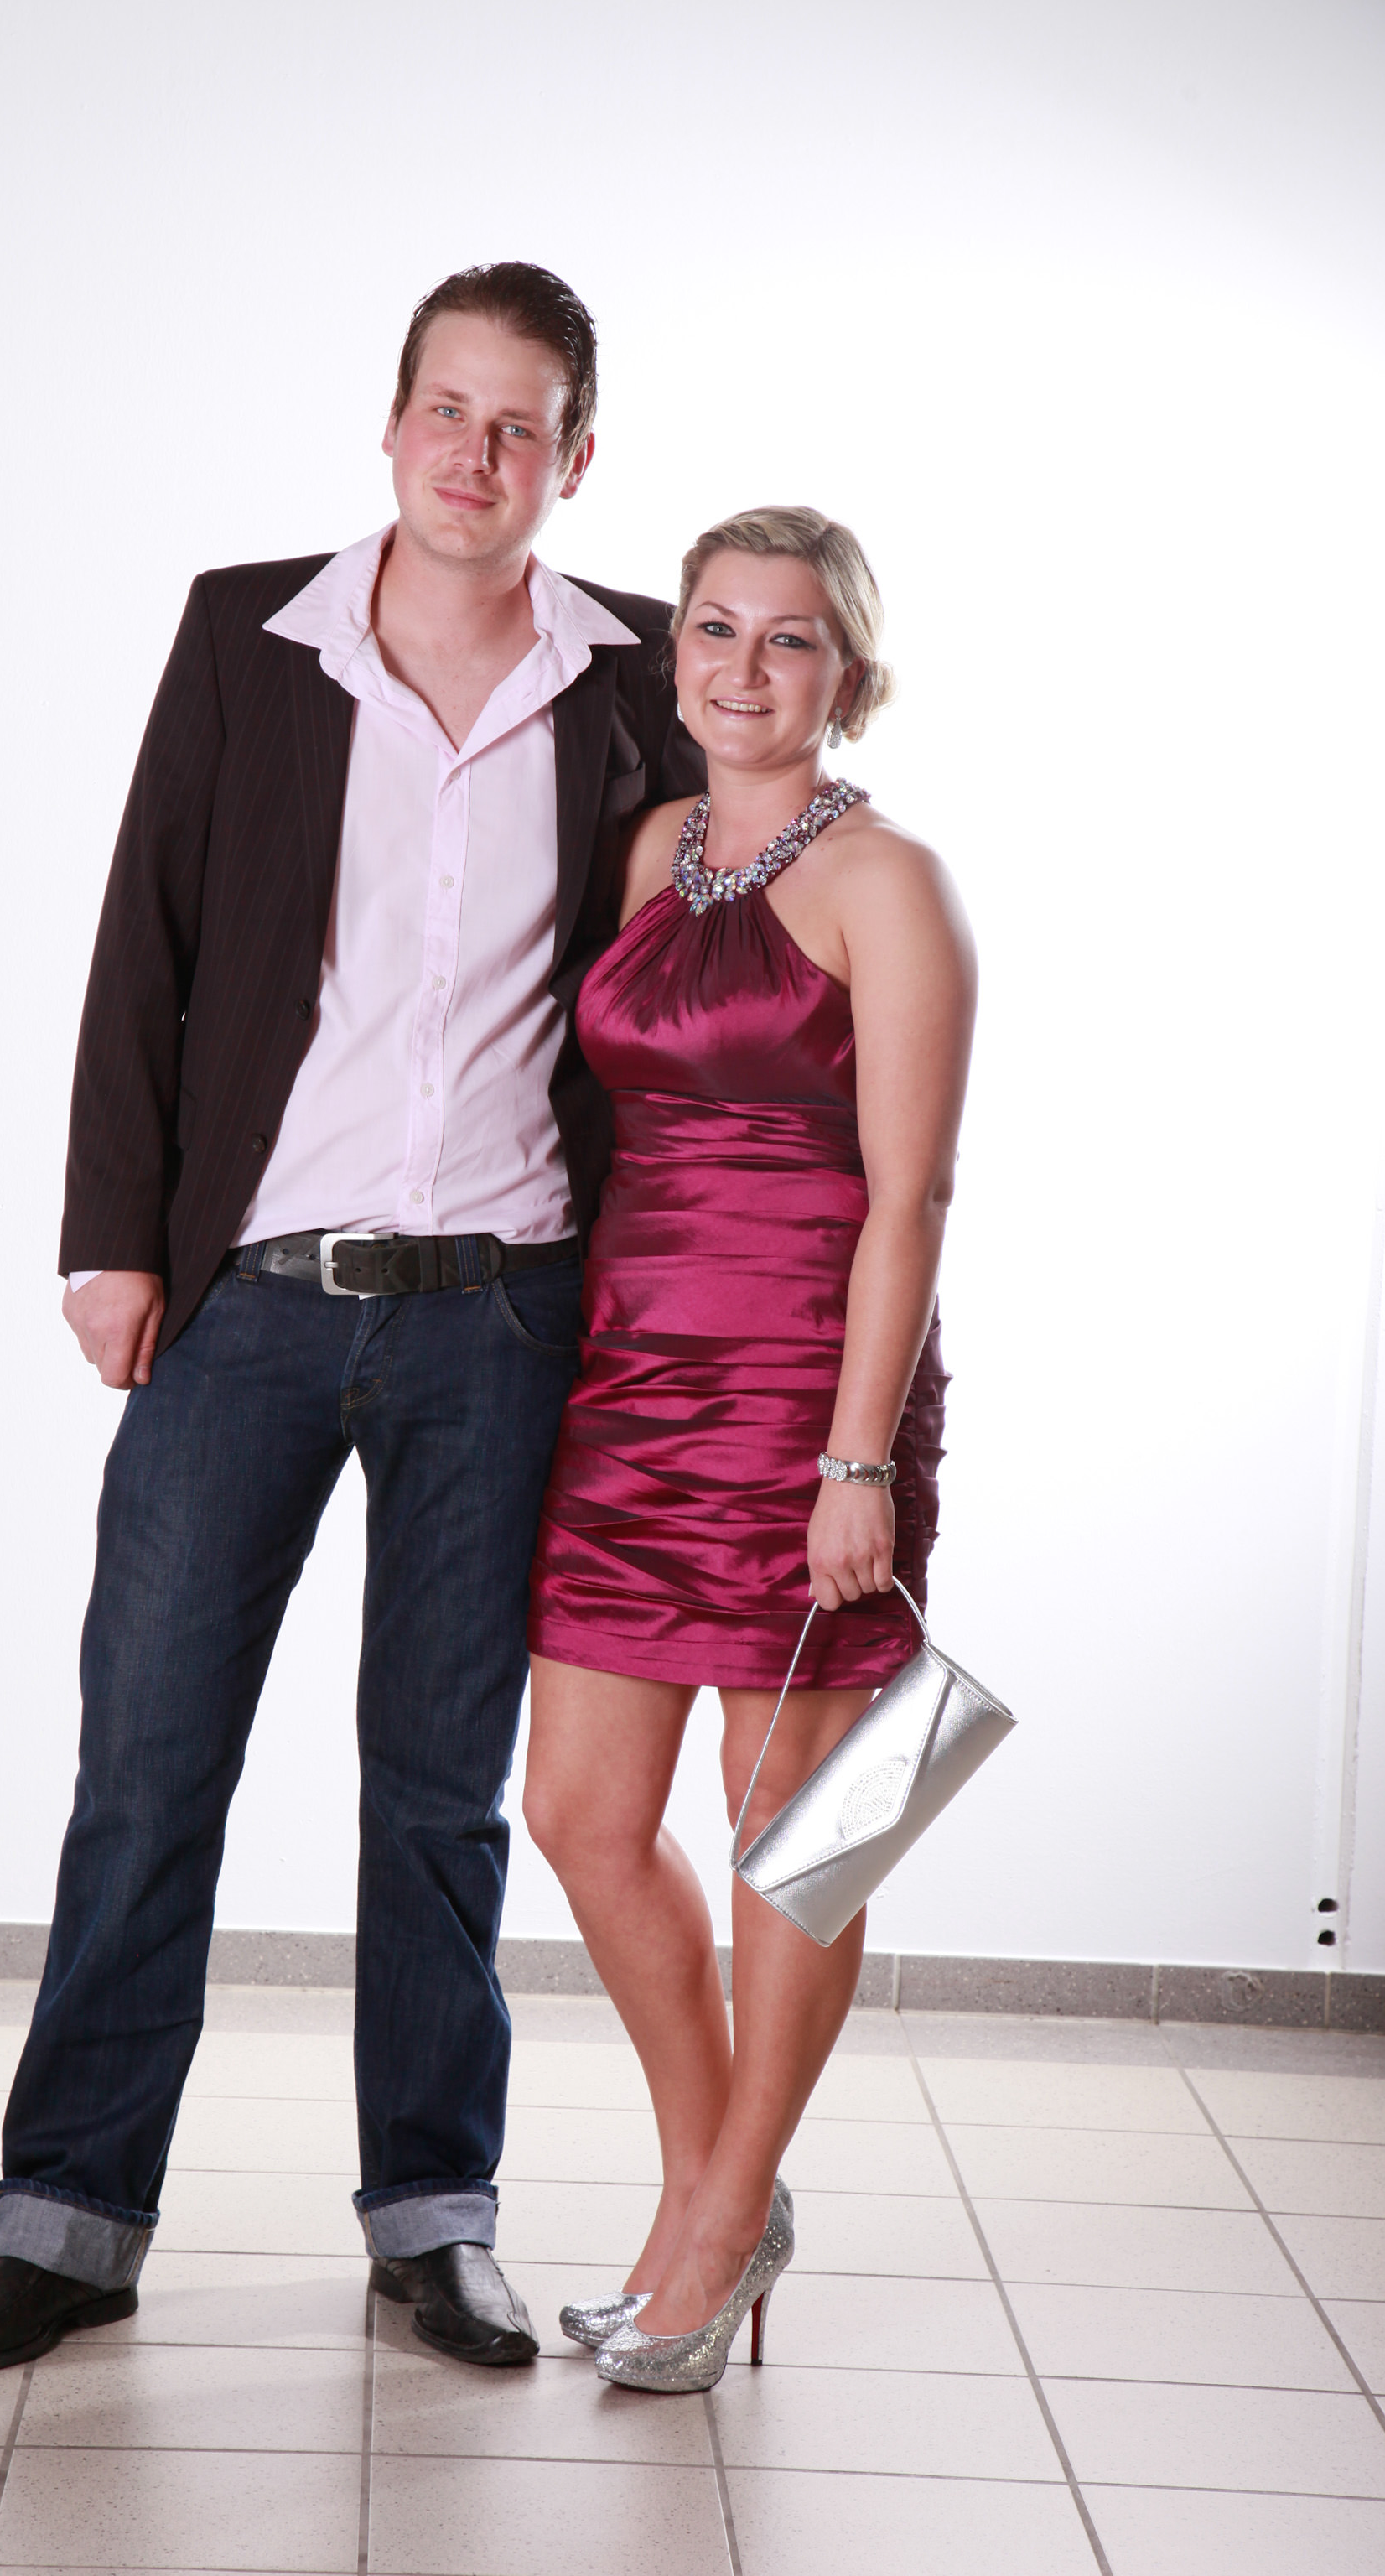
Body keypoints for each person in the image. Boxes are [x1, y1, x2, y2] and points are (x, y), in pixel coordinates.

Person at [0, 262, 703, 2380]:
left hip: (506, 1317)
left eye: (519, 426)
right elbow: (142, 938)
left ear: (575, 458)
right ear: (391, 421)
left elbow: (726, 919)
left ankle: (433, 2219)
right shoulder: (250, 635)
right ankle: (67, 2225)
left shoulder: (638, 674)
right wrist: (110, 1240)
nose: (473, 454)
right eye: (446, 409)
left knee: (437, 1795)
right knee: (147, 1766)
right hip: (246, 1300)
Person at [521, 506, 976, 2392]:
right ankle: (721, 2187)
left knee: (798, 1832)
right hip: (631, 1385)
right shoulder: (651, 849)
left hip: (807, 1398)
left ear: (846, 675)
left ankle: (708, 2236)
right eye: (715, 628)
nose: (743, 666)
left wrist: (858, 1461)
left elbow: (912, 1196)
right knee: (578, 1812)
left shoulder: (891, 882)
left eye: (789, 640)